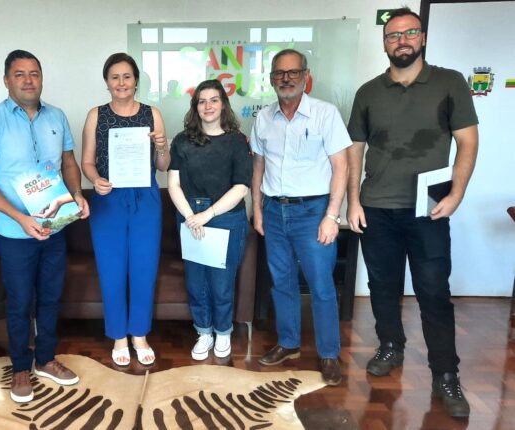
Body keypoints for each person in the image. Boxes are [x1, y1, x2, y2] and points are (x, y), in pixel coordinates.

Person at [347, 7, 478, 418]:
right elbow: (355, 150)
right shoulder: (368, 92)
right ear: (384, 43)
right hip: (375, 207)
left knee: (433, 292)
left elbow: (468, 141)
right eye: (393, 35)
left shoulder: (449, 83)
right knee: (383, 287)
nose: (401, 41)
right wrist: (353, 200)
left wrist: (456, 194)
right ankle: (390, 346)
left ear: (422, 38)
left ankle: (446, 374)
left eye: (409, 33)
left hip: (428, 210)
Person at [0, 49, 89, 403]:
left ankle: (46, 359)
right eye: (19, 74)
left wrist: (77, 194)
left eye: (34, 73)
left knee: (51, 297)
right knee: (20, 302)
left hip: (55, 227)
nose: (28, 80)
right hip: (14, 233)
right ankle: (21, 366)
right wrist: (20, 218)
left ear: (41, 78)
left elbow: (68, 163)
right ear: (6, 80)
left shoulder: (57, 116)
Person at [250, 49, 350, 386]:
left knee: (321, 285)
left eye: (293, 72)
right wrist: (258, 210)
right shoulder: (264, 118)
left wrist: (332, 215)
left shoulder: (325, 113)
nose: (287, 78)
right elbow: (258, 166)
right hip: (274, 210)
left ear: (306, 76)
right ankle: (289, 343)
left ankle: (329, 354)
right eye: (280, 73)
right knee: (282, 282)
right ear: (271, 79)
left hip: (313, 212)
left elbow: (341, 166)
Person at [81, 53, 169, 366]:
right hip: (109, 199)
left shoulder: (152, 113)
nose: (121, 83)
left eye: (127, 76)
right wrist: (95, 179)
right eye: (115, 77)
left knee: (145, 267)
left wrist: (162, 146)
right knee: (112, 269)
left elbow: (163, 165)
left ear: (136, 81)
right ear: (107, 82)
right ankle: (119, 335)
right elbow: (87, 161)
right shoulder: (96, 115)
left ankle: (139, 334)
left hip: (145, 198)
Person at [167, 79, 251, 360]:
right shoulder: (182, 140)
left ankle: (223, 332)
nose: (208, 106)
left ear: (223, 104)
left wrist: (208, 214)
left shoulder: (237, 141)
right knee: (196, 283)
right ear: (195, 107)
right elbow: (173, 183)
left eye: (214, 100)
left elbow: (241, 187)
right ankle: (204, 332)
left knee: (221, 283)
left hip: (225, 217)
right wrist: (190, 216)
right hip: (189, 216)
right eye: (202, 101)